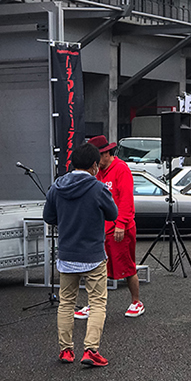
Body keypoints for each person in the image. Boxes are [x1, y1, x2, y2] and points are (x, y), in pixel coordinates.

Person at [43, 142, 118, 367]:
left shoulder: (57, 187)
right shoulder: (98, 188)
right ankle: (91, 350)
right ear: (94, 165)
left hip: (67, 254)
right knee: (97, 303)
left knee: (66, 303)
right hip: (93, 255)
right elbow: (113, 214)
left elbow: (49, 217)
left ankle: (65, 350)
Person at [77, 135, 144, 318]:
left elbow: (126, 200)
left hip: (120, 228)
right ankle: (93, 303)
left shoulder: (121, 169)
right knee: (97, 269)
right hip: (101, 229)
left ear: (106, 154)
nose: (95, 161)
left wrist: (120, 224)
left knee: (127, 267)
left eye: (97, 157)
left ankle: (136, 302)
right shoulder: (97, 172)